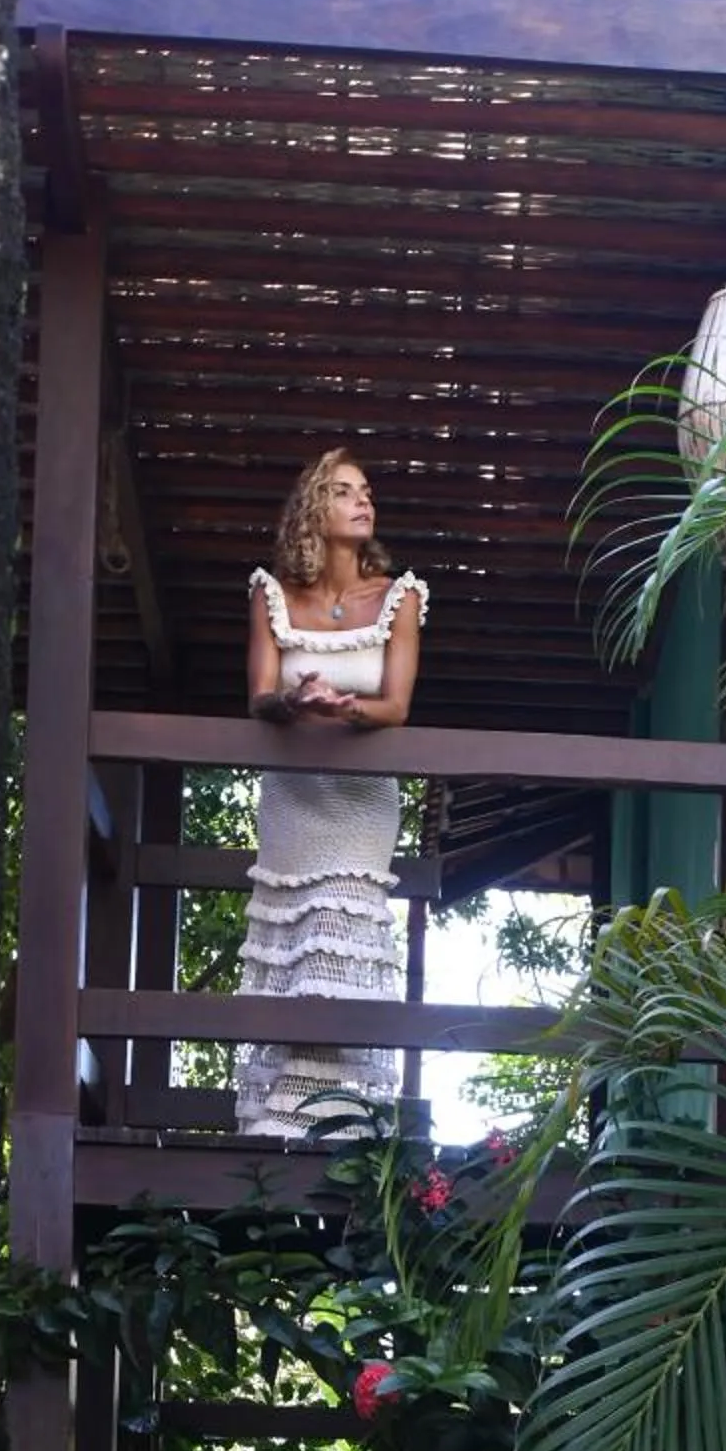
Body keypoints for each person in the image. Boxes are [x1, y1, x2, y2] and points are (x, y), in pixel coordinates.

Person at [236, 450, 427, 1135]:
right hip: (293, 794)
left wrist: (345, 707)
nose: (362, 501)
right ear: (313, 510)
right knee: (295, 948)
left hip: (359, 800)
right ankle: (287, 1111)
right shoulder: (272, 593)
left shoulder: (401, 597)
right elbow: (260, 694)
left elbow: (397, 706)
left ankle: (327, 1114)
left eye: (366, 490)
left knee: (336, 946)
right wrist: (293, 700)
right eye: (344, 491)